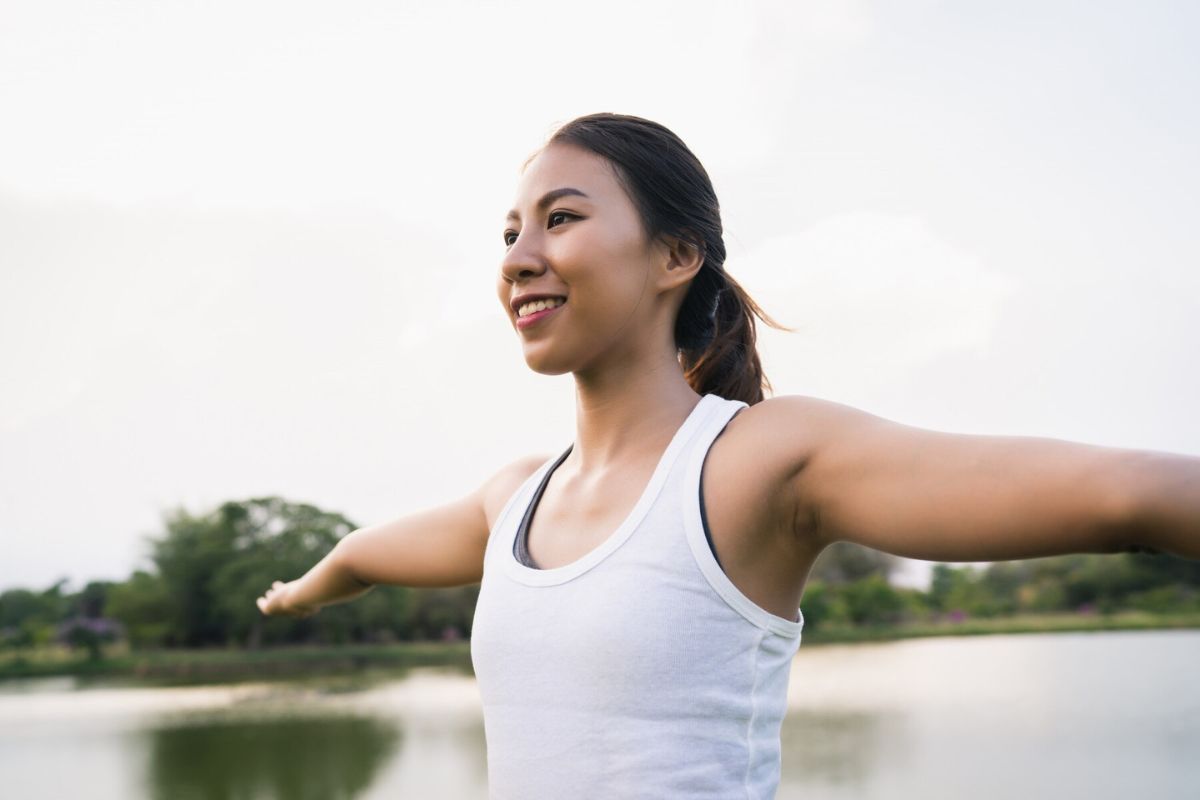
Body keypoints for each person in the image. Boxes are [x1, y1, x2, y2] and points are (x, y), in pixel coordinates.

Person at [256, 112, 1200, 798]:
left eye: (562, 219)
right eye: (510, 232)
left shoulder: (756, 462)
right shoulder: (515, 501)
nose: (518, 255)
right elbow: (367, 553)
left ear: (675, 257)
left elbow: (1124, 497)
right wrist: (303, 589)